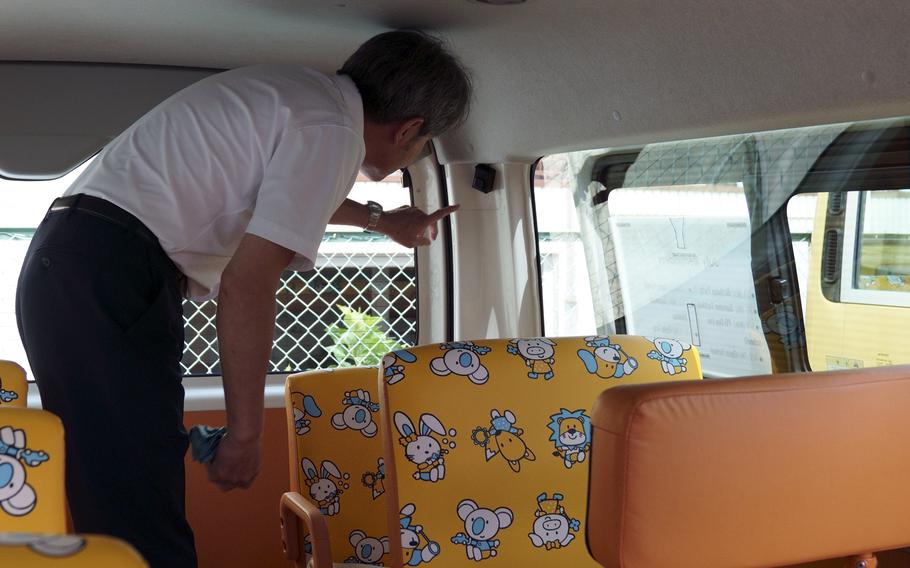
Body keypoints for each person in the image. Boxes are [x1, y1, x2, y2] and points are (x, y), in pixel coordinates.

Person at [15, 30, 471, 568]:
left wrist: (382, 220)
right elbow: (247, 284)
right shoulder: (331, 130)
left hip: (80, 264)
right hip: (106, 272)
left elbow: (289, 196)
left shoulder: (306, 97)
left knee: (124, 489)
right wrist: (245, 433)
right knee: (135, 506)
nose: (410, 156)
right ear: (410, 128)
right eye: (420, 147)